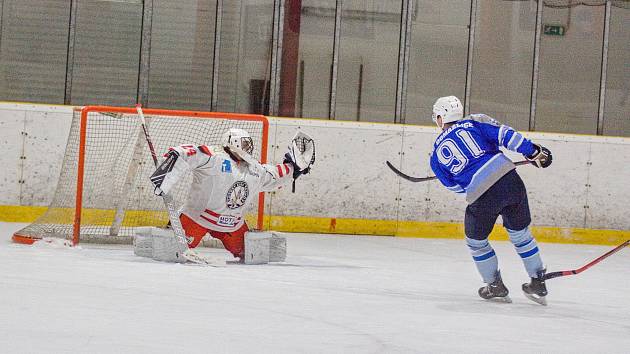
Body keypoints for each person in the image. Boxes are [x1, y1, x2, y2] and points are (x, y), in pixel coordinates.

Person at [429, 96, 552, 304]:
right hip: (510, 180)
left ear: (441, 118)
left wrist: (472, 184)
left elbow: (454, 187)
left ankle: (494, 285)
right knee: (521, 235)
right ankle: (538, 281)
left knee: (476, 242)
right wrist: (533, 151)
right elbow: (507, 136)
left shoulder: (435, 156)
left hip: (482, 195)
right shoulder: (475, 122)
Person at [149, 128, 313, 261]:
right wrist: (165, 173)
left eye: (249, 144)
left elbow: (275, 174)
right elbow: (186, 153)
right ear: (232, 141)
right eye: (245, 143)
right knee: (171, 253)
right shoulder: (213, 156)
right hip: (197, 219)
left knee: (253, 255)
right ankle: (158, 239)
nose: (248, 147)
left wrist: (294, 167)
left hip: (232, 225)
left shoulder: (254, 168)